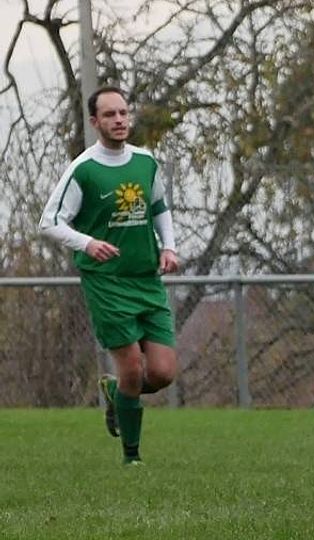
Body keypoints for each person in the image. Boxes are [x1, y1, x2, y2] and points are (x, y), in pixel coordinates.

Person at [39, 86, 180, 466]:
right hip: (107, 282)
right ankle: (132, 459)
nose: (119, 120)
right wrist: (87, 243)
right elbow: (49, 221)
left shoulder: (145, 162)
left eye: (123, 112)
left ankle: (117, 393)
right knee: (132, 367)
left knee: (163, 373)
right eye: (109, 115)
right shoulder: (84, 169)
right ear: (94, 122)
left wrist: (168, 247)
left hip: (146, 278)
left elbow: (159, 207)